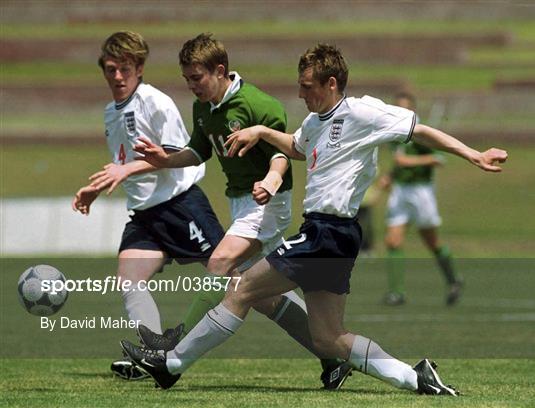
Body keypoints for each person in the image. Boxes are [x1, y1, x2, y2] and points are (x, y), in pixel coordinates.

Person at [121, 43, 507, 394]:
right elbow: (295, 147)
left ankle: (171, 364)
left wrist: (473, 154)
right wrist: (261, 132)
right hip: (332, 237)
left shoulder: (361, 111)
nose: (301, 94)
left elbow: (418, 130)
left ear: (332, 83)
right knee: (327, 338)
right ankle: (416, 376)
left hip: (326, 233)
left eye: (307, 87)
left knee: (240, 290)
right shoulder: (315, 122)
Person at [131, 33, 349, 389]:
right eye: (186, 79)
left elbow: (283, 155)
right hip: (241, 205)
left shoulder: (257, 104)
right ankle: (334, 360)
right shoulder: (203, 108)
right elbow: (198, 151)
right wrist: (165, 160)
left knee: (219, 263)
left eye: (196, 78)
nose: (191, 86)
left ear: (220, 70)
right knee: (265, 298)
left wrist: (271, 183)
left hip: (267, 204)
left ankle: (171, 348)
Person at [71, 31, 225, 380]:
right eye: (110, 69)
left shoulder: (156, 102)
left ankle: (328, 351)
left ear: (139, 68)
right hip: (145, 214)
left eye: (125, 69)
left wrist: (125, 169)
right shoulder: (111, 112)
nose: (117, 77)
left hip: (181, 206)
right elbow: (123, 162)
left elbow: (175, 154)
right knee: (129, 278)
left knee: (242, 283)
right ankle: (154, 354)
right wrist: (97, 189)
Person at [382, 91, 463, 306]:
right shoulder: (395, 133)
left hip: (420, 192)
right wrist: (391, 176)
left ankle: (453, 279)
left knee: (432, 242)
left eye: (405, 108)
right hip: (400, 191)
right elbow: (398, 162)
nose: (401, 112)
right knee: (393, 240)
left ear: (413, 110)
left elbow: (438, 159)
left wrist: (409, 161)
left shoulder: (420, 132)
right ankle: (397, 293)